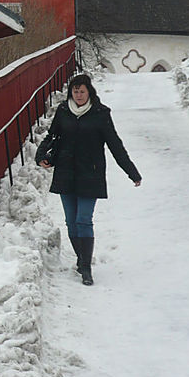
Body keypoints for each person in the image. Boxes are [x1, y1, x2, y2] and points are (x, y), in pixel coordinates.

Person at [36, 73, 142, 286]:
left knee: (83, 219)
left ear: (89, 91)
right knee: (70, 222)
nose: (78, 95)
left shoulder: (100, 114)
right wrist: (40, 156)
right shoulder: (64, 111)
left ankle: (85, 267)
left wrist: (132, 172)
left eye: (82, 91)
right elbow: (52, 136)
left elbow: (115, 145)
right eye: (75, 91)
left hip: (89, 174)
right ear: (71, 92)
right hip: (66, 172)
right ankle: (81, 258)